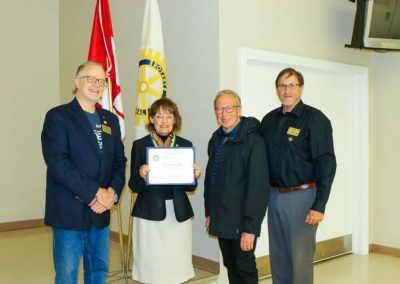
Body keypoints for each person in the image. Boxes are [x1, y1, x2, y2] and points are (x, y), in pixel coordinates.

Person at [41, 61, 127, 284]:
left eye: (101, 81)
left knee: (98, 272)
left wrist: (112, 193)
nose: (96, 85)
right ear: (77, 82)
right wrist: (96, 193)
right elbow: (59, 164)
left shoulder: (111, 120)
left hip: (101, 212)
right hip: (69, 212)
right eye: (91, 79)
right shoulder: (58, 117)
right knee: (67, 275)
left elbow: (119, 161)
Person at [260, 68, 337, 284]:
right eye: (282, 85)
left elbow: (327, 163)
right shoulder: (269, 120)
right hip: (274, 196)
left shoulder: (315, 119)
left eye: (292, 85)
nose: (287, 90)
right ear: (277, 89)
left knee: (300, 258)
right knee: (279, 254)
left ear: (301, 88)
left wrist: (319, 205)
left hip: (303, 198)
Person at [128, 98, 201, 284]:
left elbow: (190, 187)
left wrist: (194, 176)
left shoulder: (185, 144)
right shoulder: (140, 145)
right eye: (159, 116)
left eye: (169, 116)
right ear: (151, 119)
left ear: (175, 120)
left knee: (175, 265)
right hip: (149, 214)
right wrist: (142, 176)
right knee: (151, 266)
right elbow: (133, 185)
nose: (164, 121)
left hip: (177, 213)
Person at [204, 90, 270, 284]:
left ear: (239, 110)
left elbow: (258, 188)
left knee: (245, 267)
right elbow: (211, 180)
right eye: (219, 109)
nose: (223, 114)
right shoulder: (217, 139)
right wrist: (210, 212)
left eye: (228, 108)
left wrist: (251, 228)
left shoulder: (253, 141)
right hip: (222, 216)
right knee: (231, 265)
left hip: (242, 221)